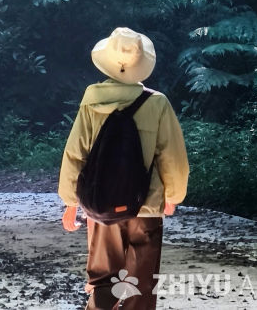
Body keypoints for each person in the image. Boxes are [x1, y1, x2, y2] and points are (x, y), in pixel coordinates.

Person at [59, 27, 189, 310]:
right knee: (140, 283)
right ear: (140, 66)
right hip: (146, 205)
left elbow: (75, 152)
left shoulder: (92, 98)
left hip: (102, 205)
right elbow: (173, 156)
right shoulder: (157, 103)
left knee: (104, 278)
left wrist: (71, 202)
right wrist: (172, 197)